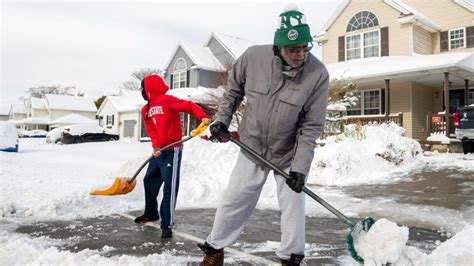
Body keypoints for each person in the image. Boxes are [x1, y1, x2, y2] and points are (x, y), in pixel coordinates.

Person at [198, 5, 329, 266]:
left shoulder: (317, 74)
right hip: (252, 145)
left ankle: (291, 258)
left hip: (289, 151)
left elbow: (311, 125)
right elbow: (233, 91)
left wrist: (300, 168)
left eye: (305, 47)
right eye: (294, 49)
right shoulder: (252, 58)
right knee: (234, 198)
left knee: (293, 204)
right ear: (278, 46)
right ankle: (215, 248)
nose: (301, 54)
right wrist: (221, 120)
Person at [136, 74, 208, 238]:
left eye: (143, 88)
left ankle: (167, 223)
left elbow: (188, 105)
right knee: (149, 180)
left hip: (172, 150)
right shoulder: (145, 109)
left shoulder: (167, 100)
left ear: (149, 88)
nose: (142, 91)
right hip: (158, 151)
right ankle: (151, 214)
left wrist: (202, 116)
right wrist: (155, 146)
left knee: (170, 186)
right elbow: (151, 130)